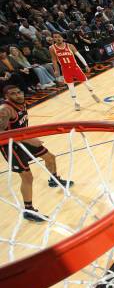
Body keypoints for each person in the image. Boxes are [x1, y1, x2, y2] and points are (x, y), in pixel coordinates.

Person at [0, 85, 73, 222]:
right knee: (27, 177)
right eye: (13, 94)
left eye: (19, 92)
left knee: (50, 158)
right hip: (10, 145)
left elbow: (21, 125)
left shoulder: (22, 103)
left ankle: (54, 180)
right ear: (6, 97)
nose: (17, 95)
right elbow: (1, 133)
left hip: (24, 138)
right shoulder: (5, 110)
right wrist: (28, 138)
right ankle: (28, 210)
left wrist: (28, 136)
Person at [49, 32, 100, 111]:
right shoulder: (52, 48)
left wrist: (86, 65)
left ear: (62, 38)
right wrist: (56, 70)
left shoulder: (70, 46)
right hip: (65, 69)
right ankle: (76, 103)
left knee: (86, 83)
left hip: (75, 67)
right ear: (53, 39)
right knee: (71, 87)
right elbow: (54, 60)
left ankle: (93, 94)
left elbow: (79, 55)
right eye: (55, 37)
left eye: (59, 36)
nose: (58, 38)